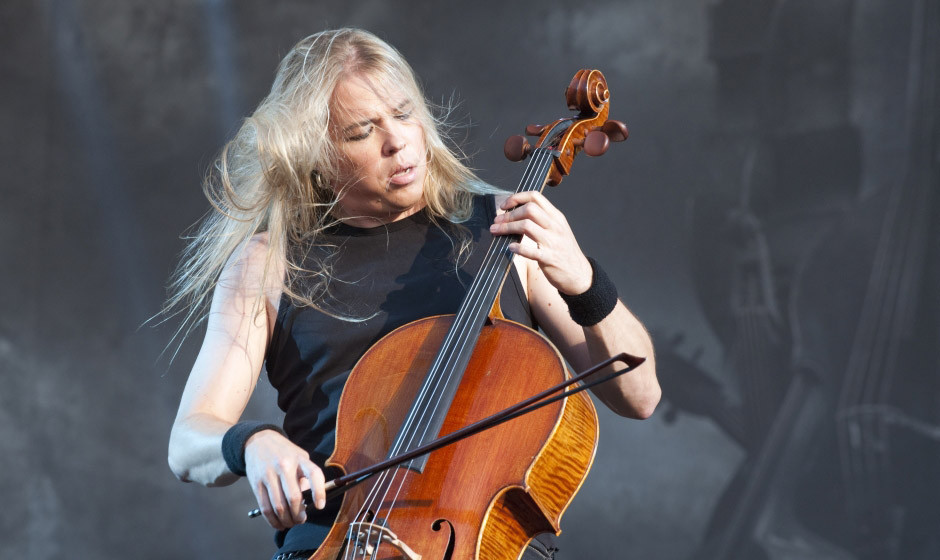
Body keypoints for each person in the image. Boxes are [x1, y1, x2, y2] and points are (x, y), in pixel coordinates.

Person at [166, 28, 660, 560]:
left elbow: (640, 394)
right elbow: (188, 443)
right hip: (335, 543)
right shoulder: (269, 261)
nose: (397, 141)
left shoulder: (507, 227)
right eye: (361, 131)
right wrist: (253, 444)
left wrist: (585, 281)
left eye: (404, 114)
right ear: (314, 154)